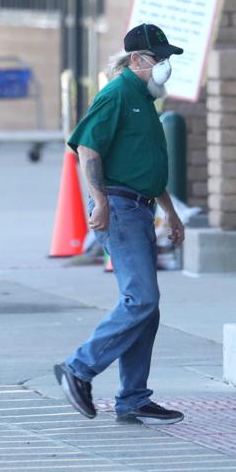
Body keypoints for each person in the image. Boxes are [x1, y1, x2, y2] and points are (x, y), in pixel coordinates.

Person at [54, 23, 187, 426]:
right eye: (159, 59)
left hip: (142, 207)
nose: (165, 66)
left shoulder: (145, 99)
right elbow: (88, 148)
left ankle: (133, 397)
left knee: (147, 307)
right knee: (141, 299)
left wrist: (170, 210)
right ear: (137, 60)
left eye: (167, 59)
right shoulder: (116, 95)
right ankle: (79, 368)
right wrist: (99, 202)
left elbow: (145, 161)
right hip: (120, 207)